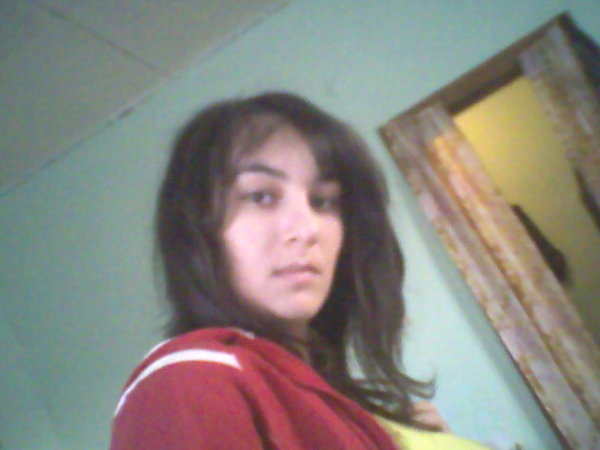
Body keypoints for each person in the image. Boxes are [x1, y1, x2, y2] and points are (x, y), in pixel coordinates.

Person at [110, 92, 489, 449]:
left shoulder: (336, 400)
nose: (307, 229)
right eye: (261, 196)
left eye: (322, 201)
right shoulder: (189, 380)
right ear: (197, 226)